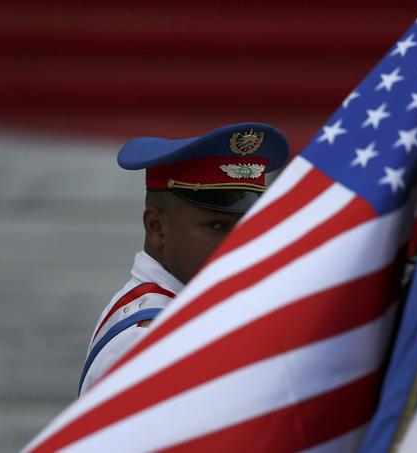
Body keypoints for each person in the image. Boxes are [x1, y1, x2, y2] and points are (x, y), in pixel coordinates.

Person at [78, 123, 290, 394]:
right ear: (157, 228)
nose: (236, 244)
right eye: (216, 226)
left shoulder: (182, 310)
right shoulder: (145, 344)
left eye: (247, 225)